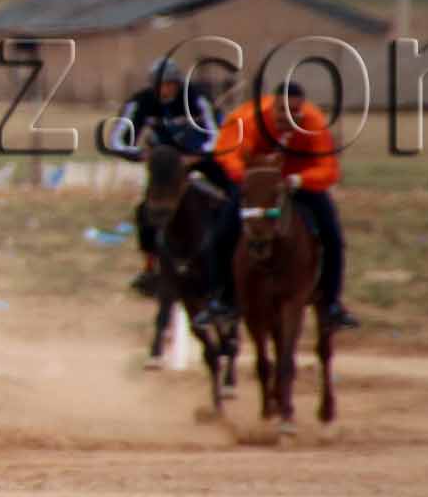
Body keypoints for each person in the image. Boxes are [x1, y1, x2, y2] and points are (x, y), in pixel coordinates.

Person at [206, 79, 360, 331]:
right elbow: (227, 152)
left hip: (298, 182)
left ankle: (331, 304)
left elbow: (329, 170)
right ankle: (222, 300)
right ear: (272, 106)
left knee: (333, 236)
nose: (287, 118)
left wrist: (299, 179)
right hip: (258, 180)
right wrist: (246, 175)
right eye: (282, 111)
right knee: (222, 233)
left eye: (295, 112)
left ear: (302, 109)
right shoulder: (250, 119)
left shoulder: (314, 123)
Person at [99, 56, 230, 292]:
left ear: (178, 84)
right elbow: (118, 140)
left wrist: (196, 156)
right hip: (165, 164)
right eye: (159, 84)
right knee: (146, 210)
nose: (164, 90)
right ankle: (150, 266)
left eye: (169, 84)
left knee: (229, 197)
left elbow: (218, 135)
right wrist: (141, 154)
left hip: (200, 158)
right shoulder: (141, 102)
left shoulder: (197, 99)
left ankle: (232, 256)